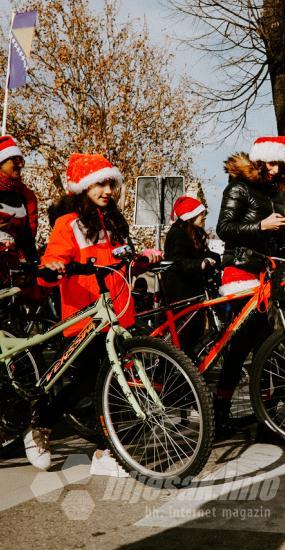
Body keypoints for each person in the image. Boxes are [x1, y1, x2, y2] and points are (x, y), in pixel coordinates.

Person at [30, 153, 160, 475]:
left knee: (110, 383)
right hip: (85, 314)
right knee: (76, 381)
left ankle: (105, 453)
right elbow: (51, 261)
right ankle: (40, 426)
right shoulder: (67, 223)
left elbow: (121, 258)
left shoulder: (115, 222)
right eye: (99, 184)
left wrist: (141, 259)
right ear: (84, 187)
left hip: (117, 313)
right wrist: (53, 268)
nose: (107, 191)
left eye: (110, 184)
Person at [214, 135, 285, 433]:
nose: (275, 169)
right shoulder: (238, 188)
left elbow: (278, 244)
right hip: (238, 273)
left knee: (256, 348)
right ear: (259, 161)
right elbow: (224, 229)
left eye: (280, 164)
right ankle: (247, 417)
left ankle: (257, 418)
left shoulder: (274, 196)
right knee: (254, 346)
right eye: (270, 163)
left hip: (264, 277)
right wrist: (261, 225)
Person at [162, 195, 220, 347]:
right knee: (183, 336)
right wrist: (200, 264)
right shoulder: (178, 233)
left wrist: (217, 259)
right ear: (191, 215)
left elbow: (201, 255)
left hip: (193, 294)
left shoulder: (195, 233)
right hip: (181, 295)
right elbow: (177, 261)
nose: (203, 217)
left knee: (195, 334)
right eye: (201, 214)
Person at [0, 135, 38, 266]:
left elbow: (30, 232)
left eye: (22, 161)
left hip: (18, 261)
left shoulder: (27, 195)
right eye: (15, 161)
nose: (20, 165)